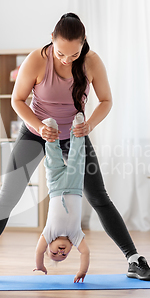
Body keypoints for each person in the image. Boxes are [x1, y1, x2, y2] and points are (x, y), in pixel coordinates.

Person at [0, 12, 150, 283]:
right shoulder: (37, 59)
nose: (66, 59)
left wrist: (89, 126)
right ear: (51, 40)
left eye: (74, 54)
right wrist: (39, 126)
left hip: (75, 135)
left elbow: (106, 100)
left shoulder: (92, 62)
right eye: (61, 53)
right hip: (37, 132)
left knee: (99, 197)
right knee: (8, 197)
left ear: (83, 43)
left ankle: (134, 260)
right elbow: (17, 100)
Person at [33, 114, 89, 283]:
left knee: (52, 158)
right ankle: (78, 127)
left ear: (49, 245)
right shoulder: (76, 235)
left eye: (54, 253)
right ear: (72, 248)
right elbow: (85, 252)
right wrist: (81, 271)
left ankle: (51, 129)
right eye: (64, 255)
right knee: (77, 156)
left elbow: (38, 251)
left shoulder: (49, 233)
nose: (60, 252)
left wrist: (40, 265)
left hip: (56, 186)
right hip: (74, 184)